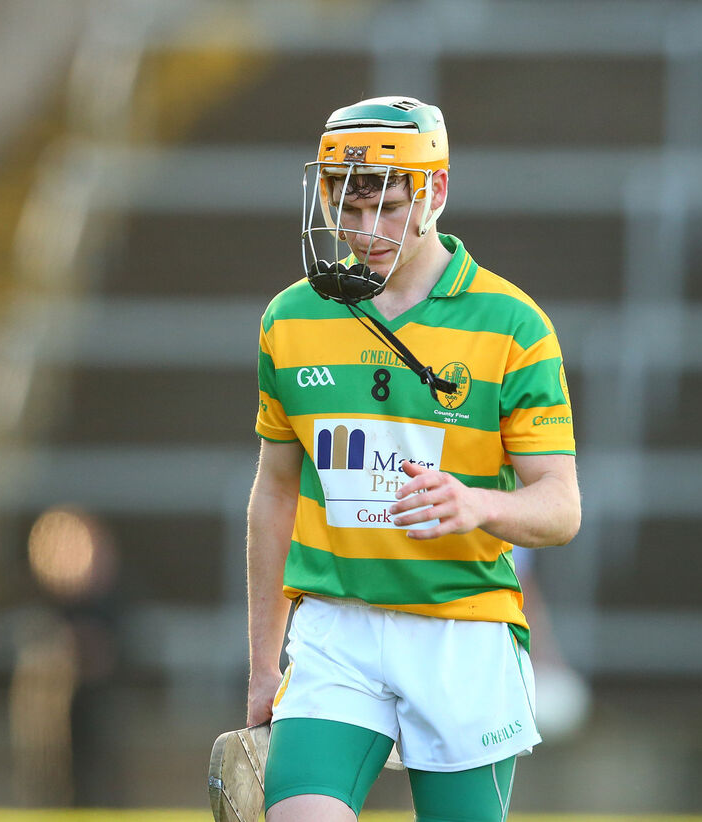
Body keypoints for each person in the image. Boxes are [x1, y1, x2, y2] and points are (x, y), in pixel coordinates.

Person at [246, 96, 580, 822]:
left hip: (462, 634)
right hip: (336, 628)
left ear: (437, 191)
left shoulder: (513, 325)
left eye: (389, 207)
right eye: (345, 205)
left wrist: (480, 503)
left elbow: (560, 505)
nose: (365, 232)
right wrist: (262, 664)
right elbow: (274, 492)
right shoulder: (291, 318)